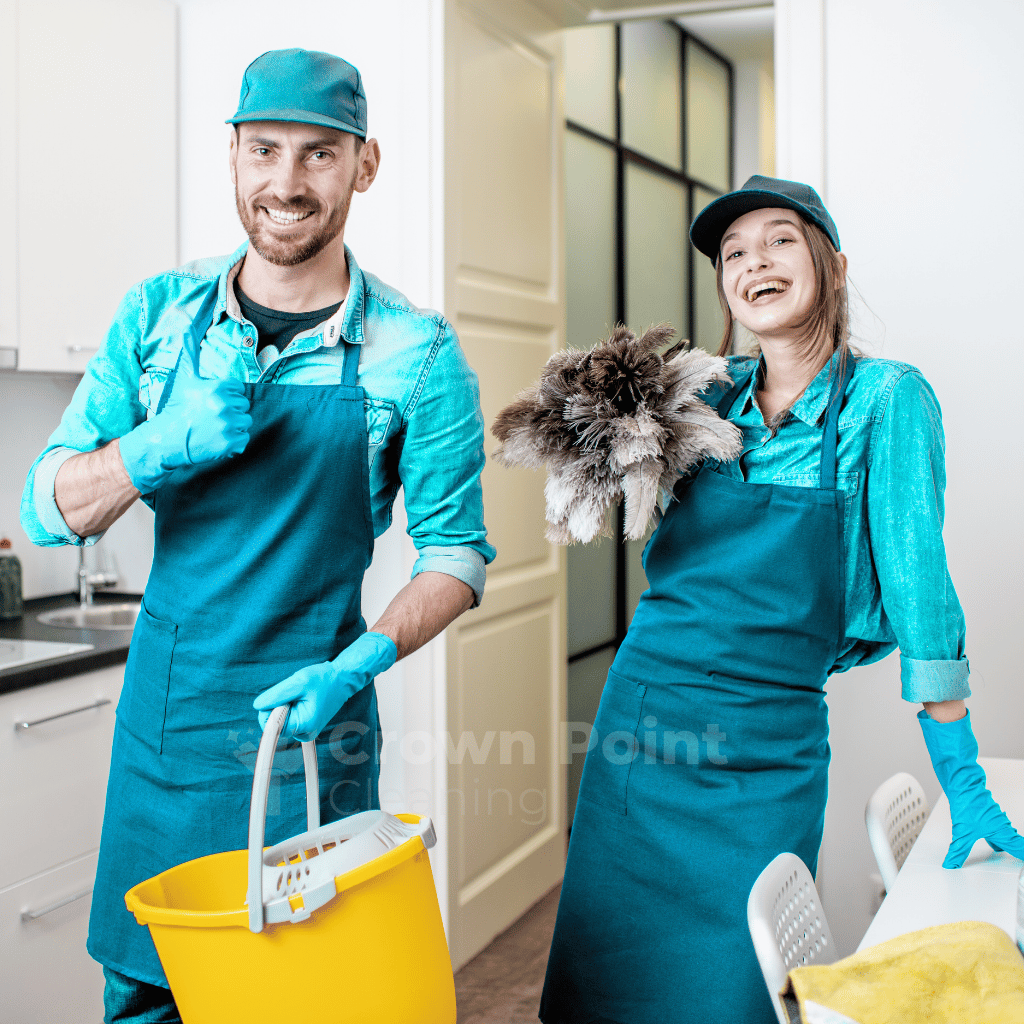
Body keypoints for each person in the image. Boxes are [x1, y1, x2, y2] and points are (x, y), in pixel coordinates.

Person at [20, 48, 493, 1024]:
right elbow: (43, 506)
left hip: (312, 739)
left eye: (319, 154)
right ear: (232, 156)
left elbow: (456, 554)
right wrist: (156, 447)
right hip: (167, 731)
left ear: (364, 164)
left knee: (301, 1003)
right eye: (264, 150)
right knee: (148, 998)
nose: (286, 183)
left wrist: (356, 663)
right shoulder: (157, 317)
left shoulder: (418, 349)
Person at [538, 175, 1024, 1024]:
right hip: (642, 727)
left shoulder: (884, 400)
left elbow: (920, 595)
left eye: (778, 241)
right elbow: (652, 542)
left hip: (767, 742)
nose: (753, 263)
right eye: (733, 254)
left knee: (735, 988)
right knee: (607, 986)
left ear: (832, 265)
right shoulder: (697, 397)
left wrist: (959, 765)